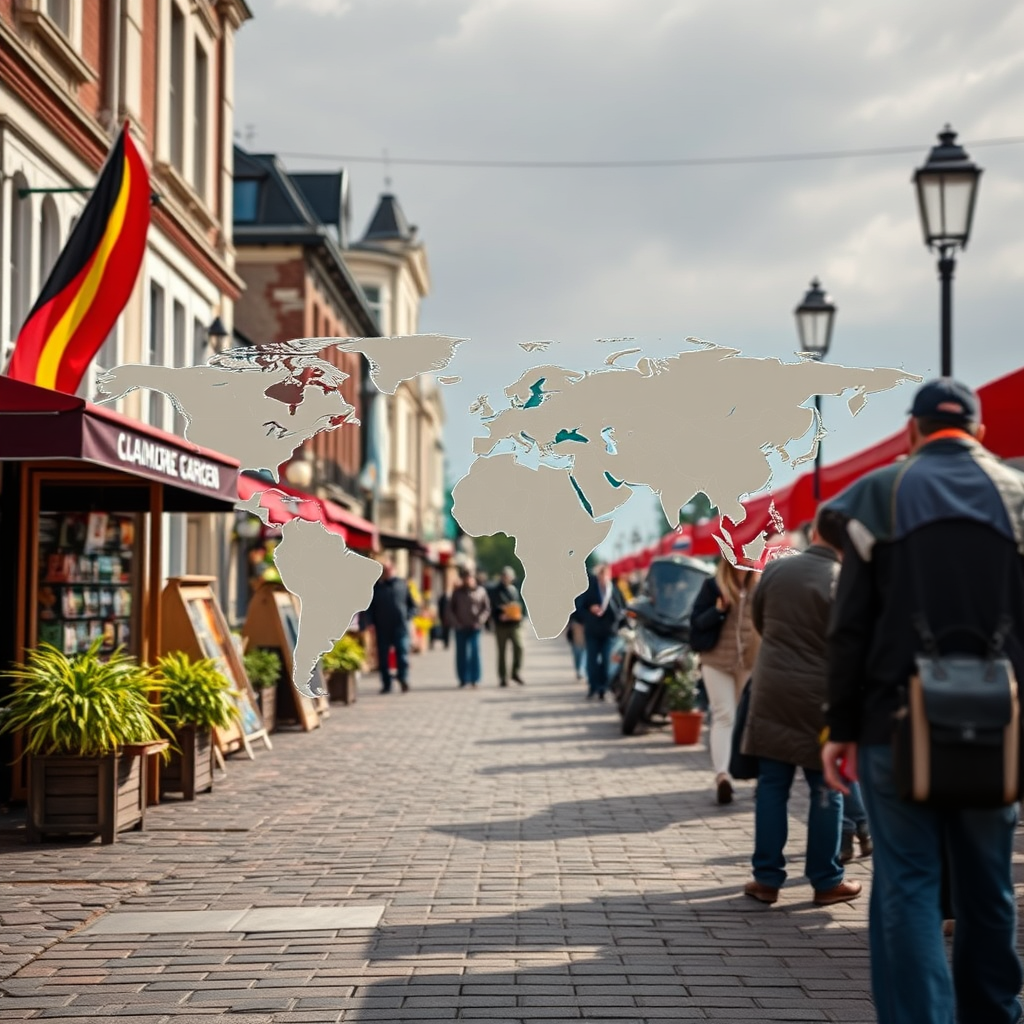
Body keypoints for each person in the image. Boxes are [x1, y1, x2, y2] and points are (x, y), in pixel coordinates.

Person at [821, 378, 1024, 1024]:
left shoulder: (881, 494)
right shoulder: (1019, 499)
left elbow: (848, 626)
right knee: (989, 883)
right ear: (981, 433)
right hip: (999, 725)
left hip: (891, 721)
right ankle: (996, 1013)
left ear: (912, 432)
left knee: (909, 884)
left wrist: (839, 728)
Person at [740, 506, 863, 906]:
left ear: (814, 533)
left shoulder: (776, 570)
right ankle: (826, 879)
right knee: (828, 789)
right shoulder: (844, 580)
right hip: (820, 697)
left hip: (772, 688)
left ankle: (766, 879)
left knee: (772, 786)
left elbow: (760, 621)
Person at [690, 556, 760, 804]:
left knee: (751, 719)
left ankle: (758, 778)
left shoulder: (761, 585)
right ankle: (723, 776)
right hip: (716, 660)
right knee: (724, 715)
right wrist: (718, 610)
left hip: (750, 663)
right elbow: (696, 622)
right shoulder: (713, 585)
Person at [363, 557, 417, 694]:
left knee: (403, 655)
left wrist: (408, 616)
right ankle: (386, 684)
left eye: (388, 569)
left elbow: (413, 606)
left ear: (393, 569)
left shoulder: (402, 585)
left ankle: (403, 678)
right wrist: (369, 623)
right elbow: (369, 608)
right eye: (384, 570)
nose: (386, 572)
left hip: (400, 627)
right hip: (383, 628)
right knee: (383, 659)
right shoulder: (376, 588)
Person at [574, 562, 625, 701]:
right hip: (593, 631)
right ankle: (593, 687)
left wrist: (613, 614)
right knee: (592, 661)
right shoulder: (590, 589)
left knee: (607, 662)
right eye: (600, 575)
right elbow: (580, 608)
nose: (603, 578)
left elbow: (621, 609)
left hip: (609, 632)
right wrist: (591, 610)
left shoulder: (613, 590)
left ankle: (603, 687)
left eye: (605, 575)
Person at [446, 567, 491, 688]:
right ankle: (463, 679)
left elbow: (486, 609)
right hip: (461, 627)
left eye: (470, 577)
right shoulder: (457, 593)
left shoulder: (481, 591)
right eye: (466, 577)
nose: (468, 580)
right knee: (461, 654)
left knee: (474, 653)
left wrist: (480, 621)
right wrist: (456, 623)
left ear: (473, 578)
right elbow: (450, 610)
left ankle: (475, 679)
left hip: (474, 628)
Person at [489, 566, 525, 687]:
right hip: (502, 625)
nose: (506, 578)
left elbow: (520, 606)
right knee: (502, 651)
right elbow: (492, 607)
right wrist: (499, 615)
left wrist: (520, 615)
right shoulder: (495, 591)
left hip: (514, 624)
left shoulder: (514, 590)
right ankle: (503, 677)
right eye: (504, 576)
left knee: (519, 647)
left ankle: (515, 672)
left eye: (508, 576)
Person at [566, 608, 587, 680]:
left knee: (585, 650)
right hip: (576, 625)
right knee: (577, 650)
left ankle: (581, 670)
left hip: (589, 625)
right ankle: (579, 669)